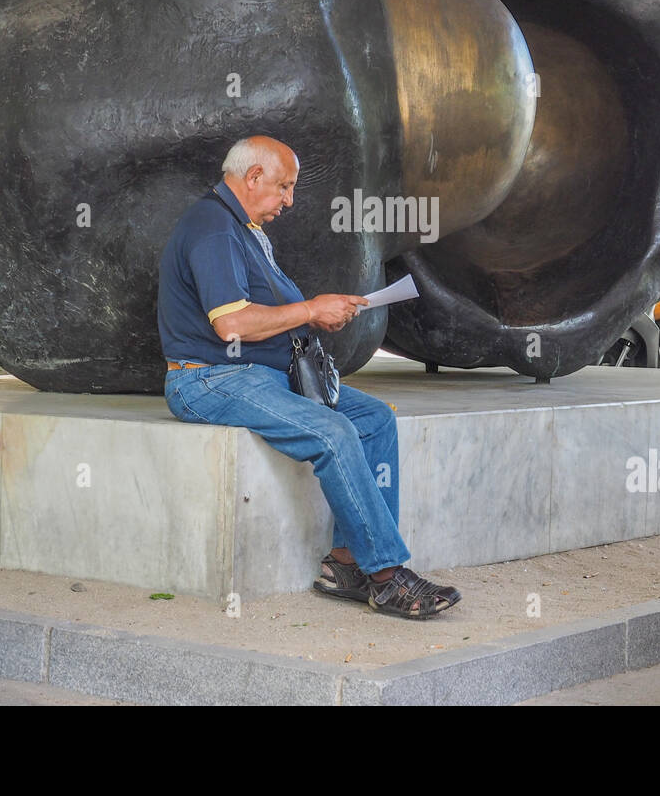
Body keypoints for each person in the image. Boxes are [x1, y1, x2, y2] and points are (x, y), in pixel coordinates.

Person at [158, 135, 461, 618]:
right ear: (253, 177)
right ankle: (387, 577)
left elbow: (266, 314)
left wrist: (320, 313)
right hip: (210, 378)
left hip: (259, 375)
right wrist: (309, 309)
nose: (289, 200)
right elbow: (231, 324)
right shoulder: (213, 226)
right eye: (284, 187)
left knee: (375, 418)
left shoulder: (243, 228)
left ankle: (344, 567)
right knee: (335, 430)